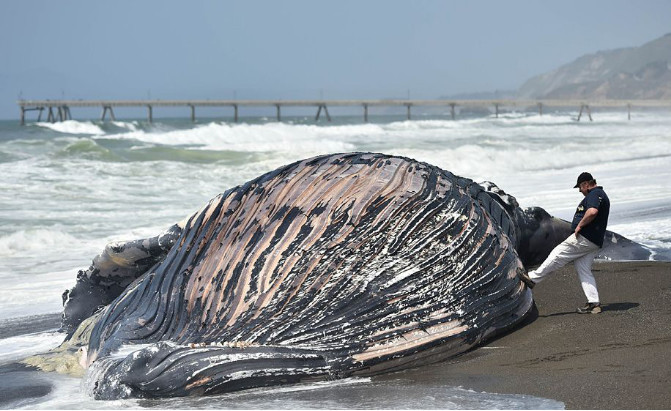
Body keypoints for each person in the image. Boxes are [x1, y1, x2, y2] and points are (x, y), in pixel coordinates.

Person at [520, 172, 610, 314]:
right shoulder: (600, 195)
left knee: (558, 254)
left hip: (585, 238)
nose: (580, 191)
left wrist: (580, 225)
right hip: (595, 241)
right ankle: (594, 303)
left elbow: (592, 211)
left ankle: (533, 278)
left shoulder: (594, 194)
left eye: (580, 187)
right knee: (583, 269)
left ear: (586, 184)